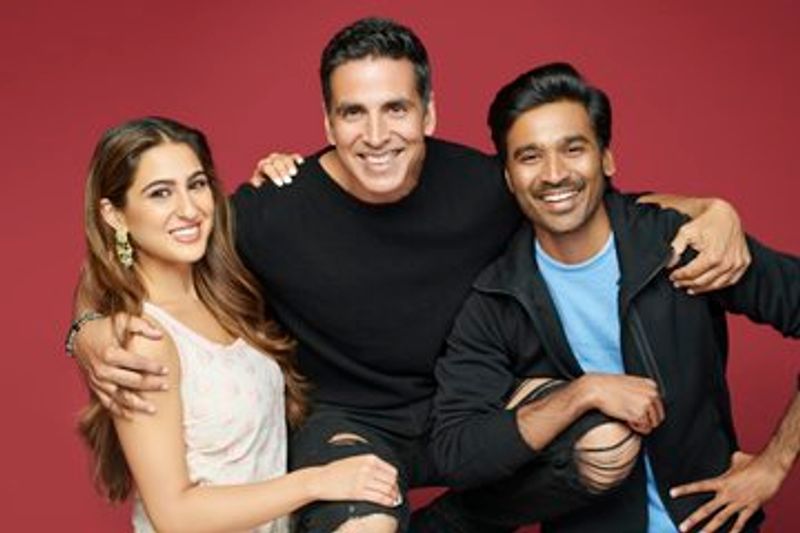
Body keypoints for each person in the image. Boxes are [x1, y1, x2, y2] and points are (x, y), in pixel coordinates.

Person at [70, 19, 751, 532]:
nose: (376, 135)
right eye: (353, 113)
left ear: (428, 111)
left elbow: (590, 204)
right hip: (349, 422)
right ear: (327, 121)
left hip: (468, 408)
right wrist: (88, 327)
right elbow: (146, 249)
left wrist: (708, 209)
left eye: (395, 109)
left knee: (607, 441)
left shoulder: (484, 186)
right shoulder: (271, 210)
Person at [430, 63, 799, 533]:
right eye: (530, 157)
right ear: (508, 177)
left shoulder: (679, 245)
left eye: (573, 149)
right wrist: (579, 395)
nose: (554, 174)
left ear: (606, 159)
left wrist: (773, 465)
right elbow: (457, 453)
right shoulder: (498, 297)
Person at [74, 117, 400, 533]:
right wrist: (316, 482)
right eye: (160, 193)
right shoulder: (144, 338)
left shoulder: (225, 297)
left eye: (196, 185)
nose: (189, 209)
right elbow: (175, 514)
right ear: (115, 215)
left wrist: (279, 184)